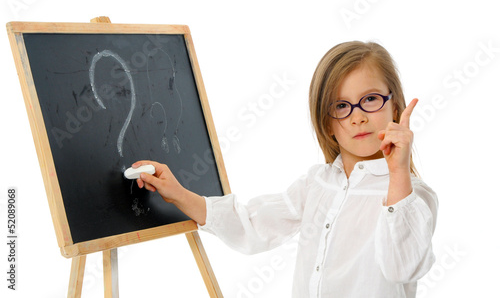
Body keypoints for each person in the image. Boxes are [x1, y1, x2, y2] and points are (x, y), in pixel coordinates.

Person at [132, 41, 438, 297]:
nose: (357, 117)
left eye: (370, 99)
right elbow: (251, 224)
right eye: (341, 106)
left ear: (394, 107)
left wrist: (398, 172)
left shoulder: (415, 196)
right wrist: (179, 194)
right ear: (327, 123)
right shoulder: (317, 184)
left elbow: (403, 267)